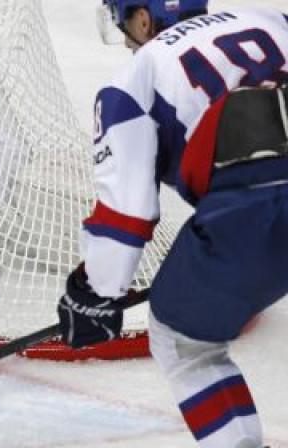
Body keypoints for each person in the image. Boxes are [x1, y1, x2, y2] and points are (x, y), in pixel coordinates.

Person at [56, 1, 288, 447]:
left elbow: (127, 216)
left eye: (124, 24)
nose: (126, 39)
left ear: (144, 19)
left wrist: (95, 293)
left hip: (251, 206)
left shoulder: (132, 81)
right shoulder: (269, 19)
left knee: (184, 344)